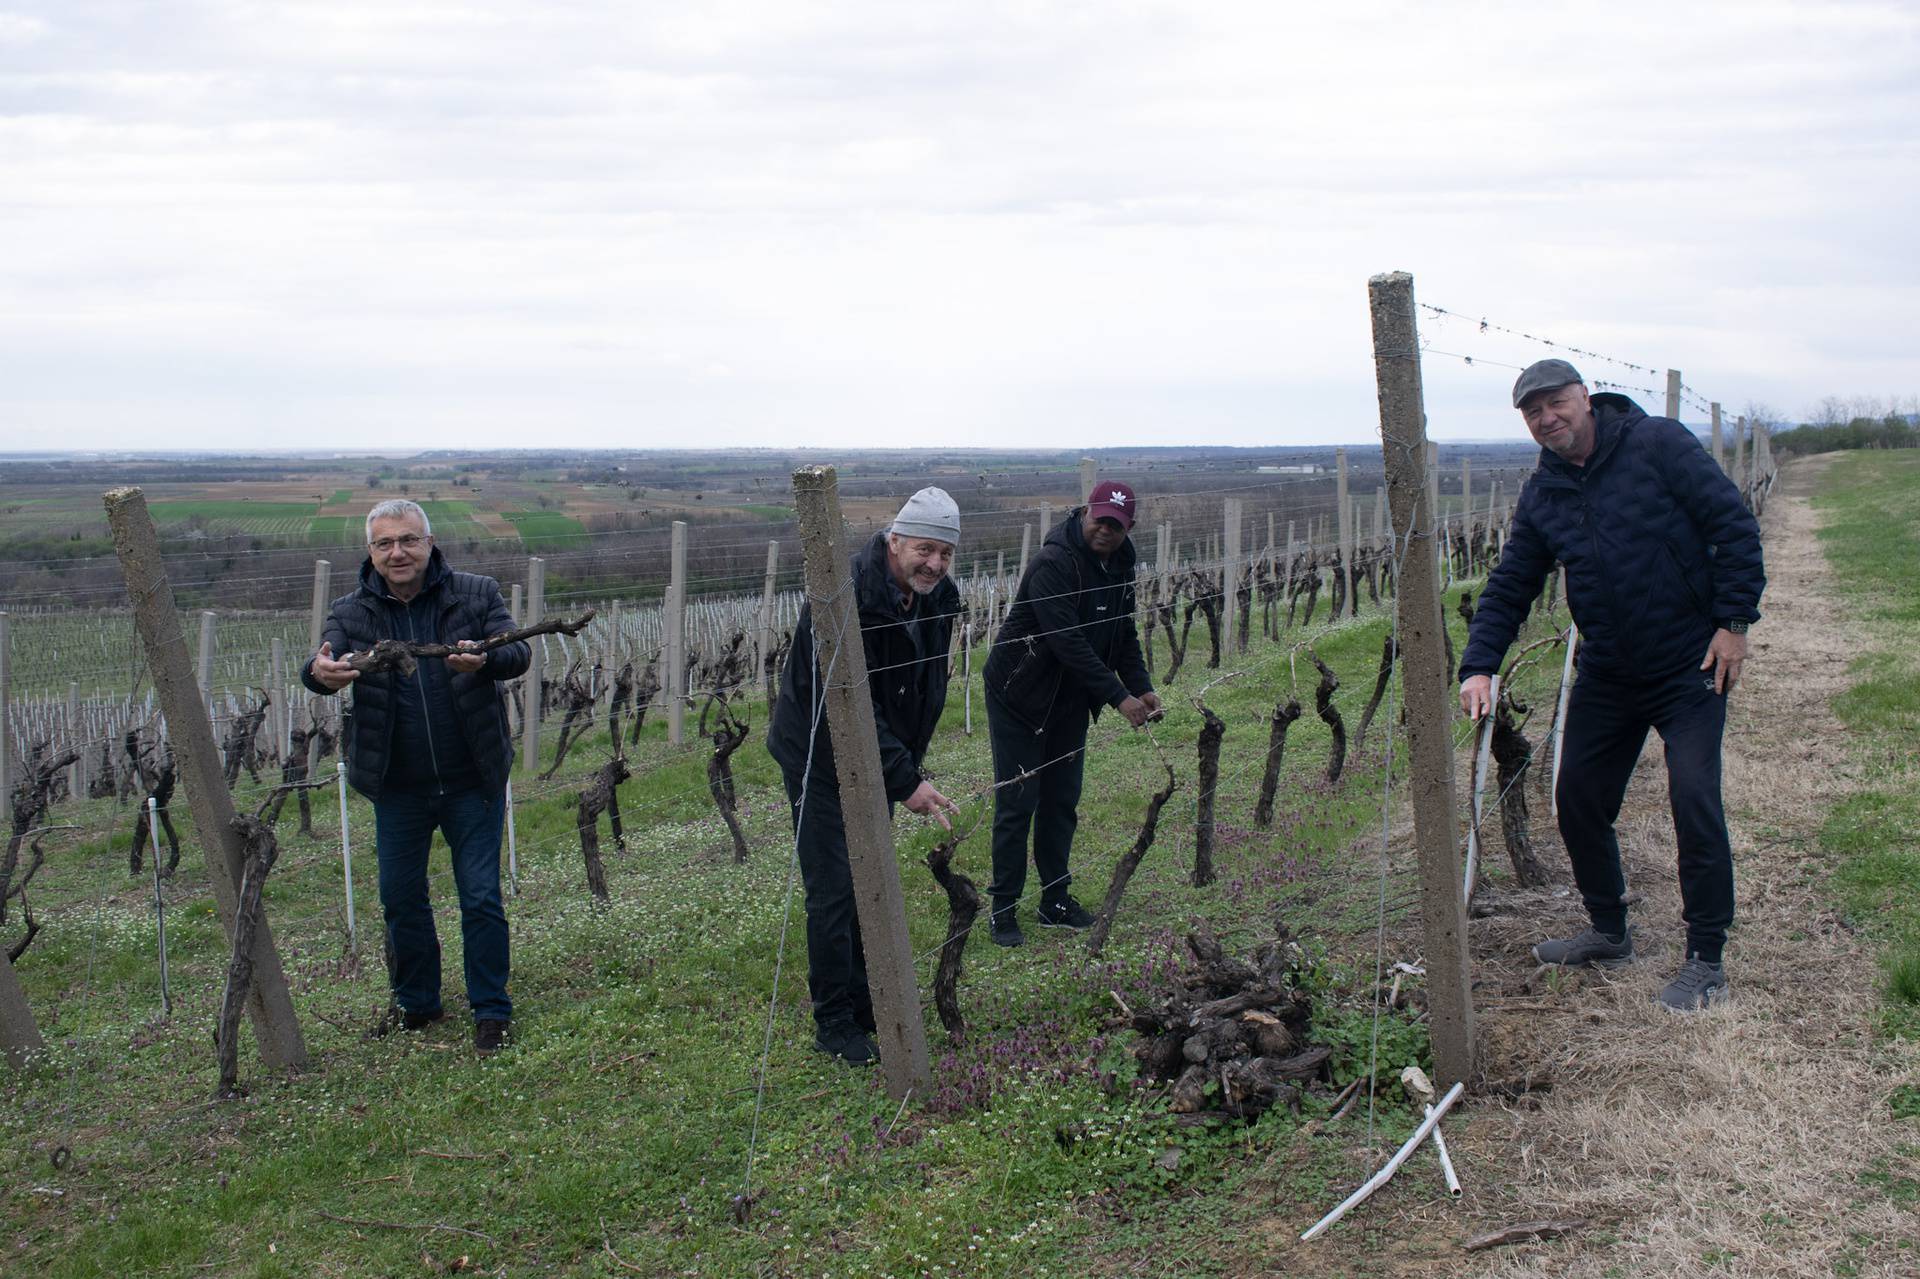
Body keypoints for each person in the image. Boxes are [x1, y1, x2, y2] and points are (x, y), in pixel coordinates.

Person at [1459, 359, 1765, 1012]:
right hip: (1609, 671)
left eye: (1556, 403)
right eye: (1532, 411)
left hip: (1690, 664)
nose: (1547, 418)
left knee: (1693, 799)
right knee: (1577, 797)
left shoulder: (1657, 445)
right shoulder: (1544, 494)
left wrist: (1733, 622)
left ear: (1584, 398)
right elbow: (1513, 581)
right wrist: (1479, 663)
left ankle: (1705, 956)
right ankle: (1608, 928)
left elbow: (1732, 525)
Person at [302, 499, 528, 1054]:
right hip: (396, 784)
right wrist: (319, 673)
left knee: (479, 895)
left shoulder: (475, 594)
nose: (397, 552)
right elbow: (319, 667)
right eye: (385, 543)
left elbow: (517, 651)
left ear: (429, 543)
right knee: (401, 899)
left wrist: (487, 660)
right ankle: (418, 1004)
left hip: (471, 775)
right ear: (371, 553)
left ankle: (491, 1011)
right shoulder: (351, 611)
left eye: (408, 540)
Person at [766, 488, 963, 1065]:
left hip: (876, 755)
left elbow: (926, 685)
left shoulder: (937, 597)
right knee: (834, 890)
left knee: (869, 874)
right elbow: (847, 705)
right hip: (819, 755)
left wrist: (905, 763)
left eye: (946, 553)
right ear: (894, 540)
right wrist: (905, 779)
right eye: (925, 549)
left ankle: (865, 997)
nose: (935, 563)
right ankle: (834, 1022)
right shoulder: (843, 596)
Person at [983, 480, 1161, 947]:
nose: (1106, 530)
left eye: (1116, 525)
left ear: (1128, 527)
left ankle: (1054, 901)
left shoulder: (1121, 563)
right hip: (1019, 694)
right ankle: (1002, 909)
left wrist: (1141, 686)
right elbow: (1067, 643)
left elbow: (1121, 632)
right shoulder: (1053, 563)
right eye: (1100, 519)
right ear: (1086, 512)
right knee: (1018, 802)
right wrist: (1119, 697)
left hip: (1069, 699)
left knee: (1062, 801)